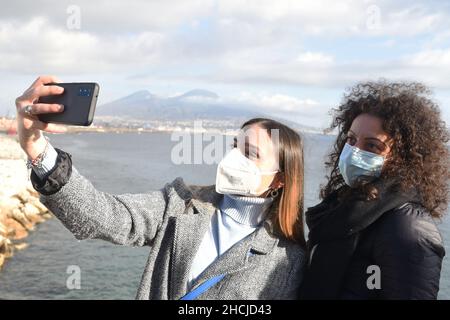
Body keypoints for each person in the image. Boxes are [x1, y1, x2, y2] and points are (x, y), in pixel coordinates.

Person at [15, 76, 306, 300]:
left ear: (280, 179)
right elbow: (104, 216)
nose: (234, 158)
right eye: (235, 147)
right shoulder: (182, 202)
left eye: (251, 153)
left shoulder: (288, 259)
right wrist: (36, 149)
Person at [300, 80, 449, 299]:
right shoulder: (342, 207)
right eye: (351, 139)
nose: (354, 151)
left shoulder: (408, 229)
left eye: (372, 146)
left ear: (404, 157)